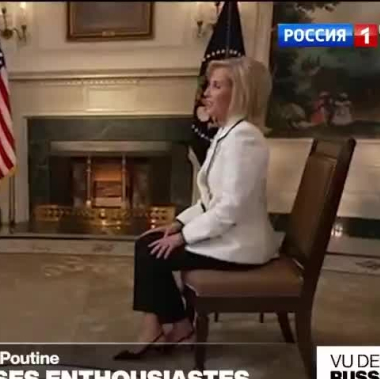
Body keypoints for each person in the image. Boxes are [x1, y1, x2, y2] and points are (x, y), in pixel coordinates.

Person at [116, 56, 279, 360]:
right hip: (228, 233)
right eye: (209, 85)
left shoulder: (244, 138)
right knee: (149, 243)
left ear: (239, 93)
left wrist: (184, 237)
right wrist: (178, 224)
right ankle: (169, 326)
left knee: (151, 252)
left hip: (241, 245)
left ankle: (167, 327)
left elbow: (229, 208)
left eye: (216, 86)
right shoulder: (228, 133)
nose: (206, 93)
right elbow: (210, 200)